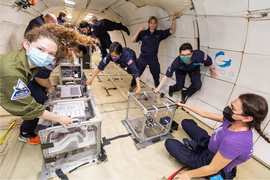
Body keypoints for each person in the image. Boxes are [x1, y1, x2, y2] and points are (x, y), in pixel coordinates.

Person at [0, 23, 95, 144]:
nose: (46, 56)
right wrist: (60, 118)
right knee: (39, 99)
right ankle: (25, 133)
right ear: (26, 44)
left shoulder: (28, 61)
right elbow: (31, 104)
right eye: (40, 49)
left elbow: (39, 74)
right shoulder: (12, 72)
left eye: (51, 53)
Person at [165, 93, 270, 180]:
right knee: (186, 122)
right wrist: (184, 105)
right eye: (231, 105)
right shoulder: (232, 120)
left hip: (210, 162)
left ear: (247, 118)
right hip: (211, 144)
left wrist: (188, 174)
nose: (228, 108)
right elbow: (205, 114)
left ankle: (193, 150)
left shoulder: (235, 142)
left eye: (232, 108)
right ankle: (194, 147)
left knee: (170, 143)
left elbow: (212, 168)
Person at [19, 44, 87, 144]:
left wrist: (49, 85)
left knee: (42, 98)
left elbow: (44, 74)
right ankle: (25, 133)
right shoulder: (56, 55)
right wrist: (49, 87)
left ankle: (35, 123)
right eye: (77, 55)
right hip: (28, 79)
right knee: (38, 102)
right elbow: (39, 77)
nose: (77, 58)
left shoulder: (60, 54)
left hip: (34, 77)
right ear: (71, 49)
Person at [129, 12, 178, 92]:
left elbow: (172, 30)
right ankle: (133, 85)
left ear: (156, 24)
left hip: (153, 58)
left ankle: (157, 85)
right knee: (137, 72)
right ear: (148, 24)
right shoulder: (143, 33)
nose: (153, 24)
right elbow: (133, 40)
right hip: (143, 57)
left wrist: (174, 20)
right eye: (151, 23)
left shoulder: (159, 33)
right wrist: (139, 30)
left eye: (154, 23)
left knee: (156, 73)